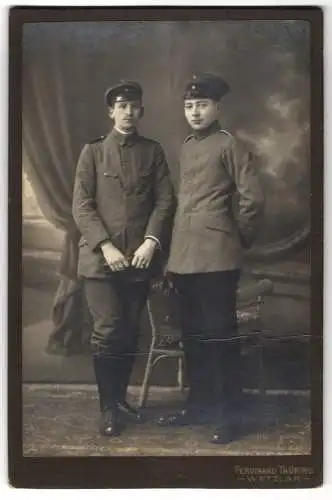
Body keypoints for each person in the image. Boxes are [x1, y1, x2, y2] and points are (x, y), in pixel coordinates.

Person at [157, 73, 265, 444]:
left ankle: (231, 416)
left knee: (221, 337)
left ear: (217, 107)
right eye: (189, 106)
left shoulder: (229, 145)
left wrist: (236, 239)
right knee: (194, 337)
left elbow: (253, 198)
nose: (195, 112)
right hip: (184, 257)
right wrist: (172, 256)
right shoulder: (187, 146)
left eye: (202, 105)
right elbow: (183, 205)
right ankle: (198, 405)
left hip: (218, 257)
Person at [72, 80, 174, 437]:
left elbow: (165, 201)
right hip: (101, 262)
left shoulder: (153, 151)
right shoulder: (93, 152)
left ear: (141, 111)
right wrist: (105, 246)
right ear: (111, 112)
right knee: (109, 329)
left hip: (139, 261)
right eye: (121, 106)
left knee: (130, 333)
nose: (128, 112)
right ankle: (108, 409)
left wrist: (151, 242)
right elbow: (82, 206)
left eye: (134, 107)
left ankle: (120, 400)